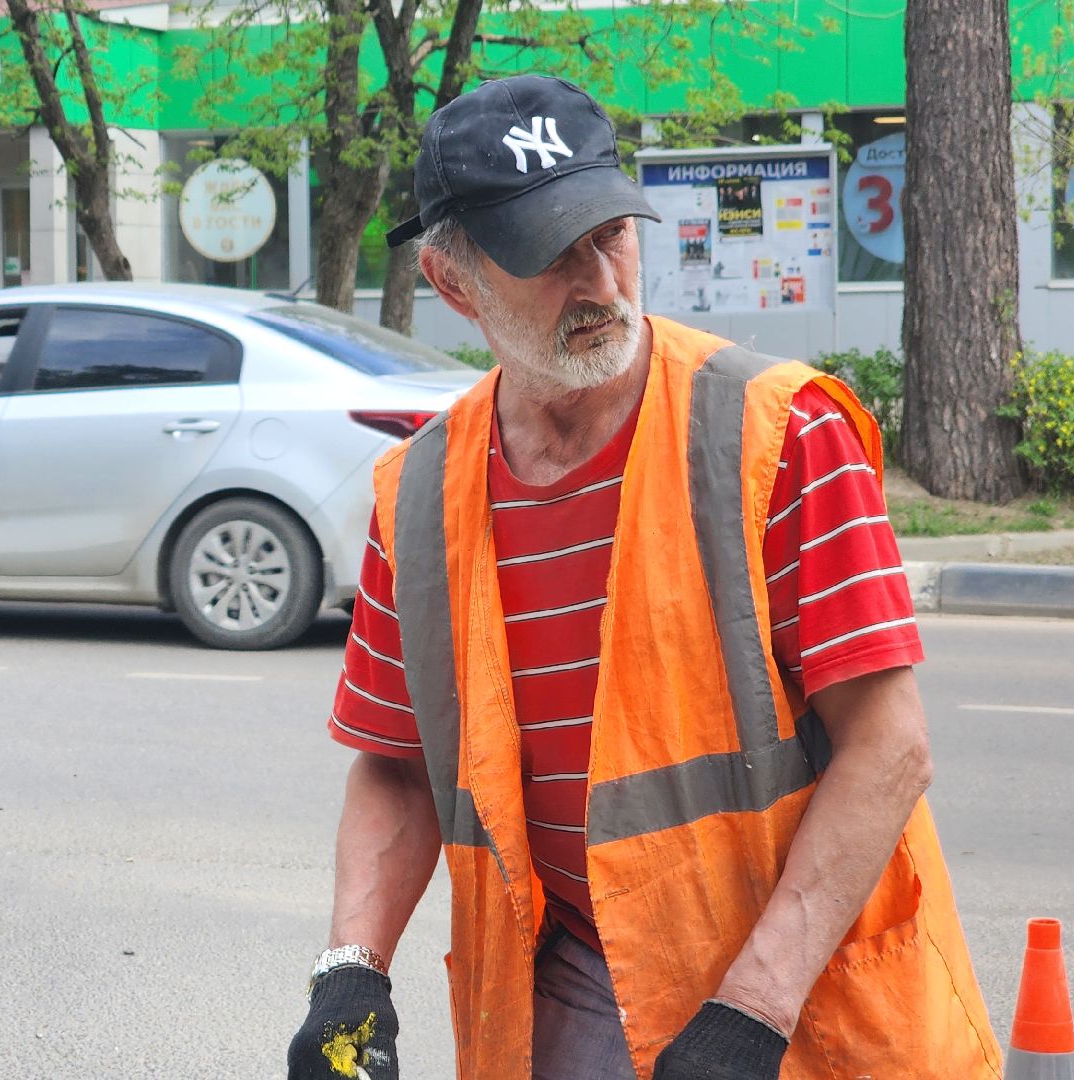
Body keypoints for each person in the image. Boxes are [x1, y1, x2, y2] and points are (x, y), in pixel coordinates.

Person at [287, 75, 1000, 1080]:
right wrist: (349, 971)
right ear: (455, 286)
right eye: (548, 254)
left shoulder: (781, 433)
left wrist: (750, 1011)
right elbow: (396, 765)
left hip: (806, 1001)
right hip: (573, 993)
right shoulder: (420, 494)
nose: (601, 283)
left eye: (608, 233)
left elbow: (888, 751)